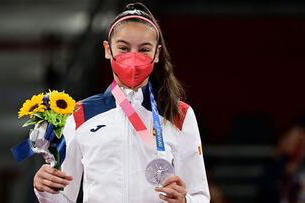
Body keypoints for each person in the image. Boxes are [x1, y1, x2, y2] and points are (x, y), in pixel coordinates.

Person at [33, 2, 210, 203]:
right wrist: (45, 190)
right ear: (108, 50)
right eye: (124, 48)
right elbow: (63, 197)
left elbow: (200, 196)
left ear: (157, 54)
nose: (133, 57)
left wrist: (186, 201)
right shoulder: (80, 114)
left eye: (144, 49)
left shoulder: (179, 114)